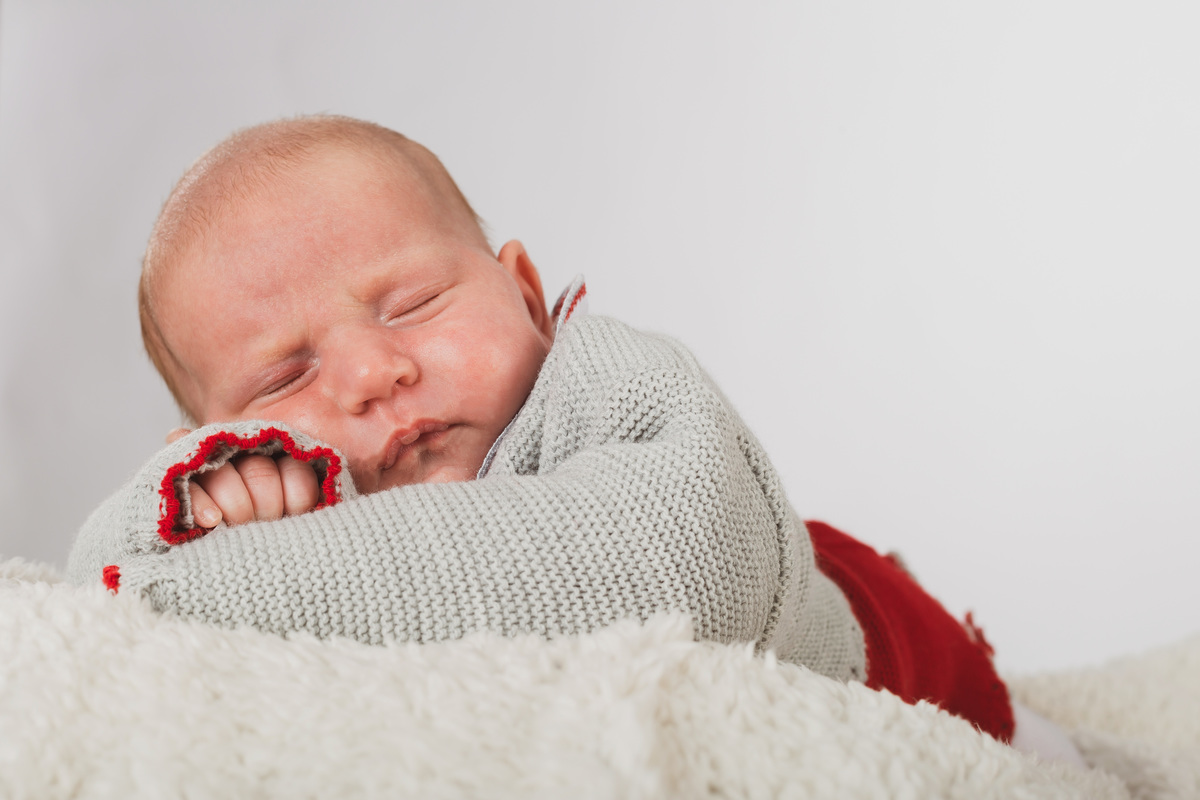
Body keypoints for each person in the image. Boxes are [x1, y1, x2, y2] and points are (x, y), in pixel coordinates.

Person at [71, 115, 1046, 750]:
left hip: (860, 622)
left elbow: (687, 559)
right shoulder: (238, 501)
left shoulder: (599, 377)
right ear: (207, 441)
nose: (375, 372)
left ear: (526, 293)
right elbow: (102, 588)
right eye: (287, 375)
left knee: (1023, 736)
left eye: (411, 303)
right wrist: (204, 505)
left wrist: (218, 576)